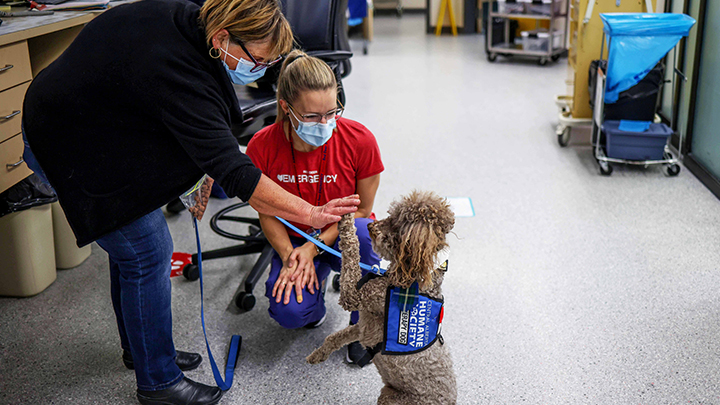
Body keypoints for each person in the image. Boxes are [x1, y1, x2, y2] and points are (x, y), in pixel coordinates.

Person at [21, 1, 360, 404]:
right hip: (67, 140)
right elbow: (233, 170)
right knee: (147, 253)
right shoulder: (177, 67)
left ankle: (143, 351)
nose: (264, 71)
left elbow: (190, 121)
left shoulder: (190, 20)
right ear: (223, 39)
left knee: (131, 248)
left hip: (103, 128)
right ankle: (158, 382)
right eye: (259, 60)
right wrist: (309, 213)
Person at [245, 50, 384, 366]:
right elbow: (266, 211)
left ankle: (364, 326)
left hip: (344, 236)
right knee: (290, 312)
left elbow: (361, 211)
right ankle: (314, 298)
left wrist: (312, 248)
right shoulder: (261, 147)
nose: (324, 124)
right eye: (311, 116)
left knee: (365, 235)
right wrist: (289, 255)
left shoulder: (360, 140)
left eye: (331, 112)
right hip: (293, 241)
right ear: (286, 108)